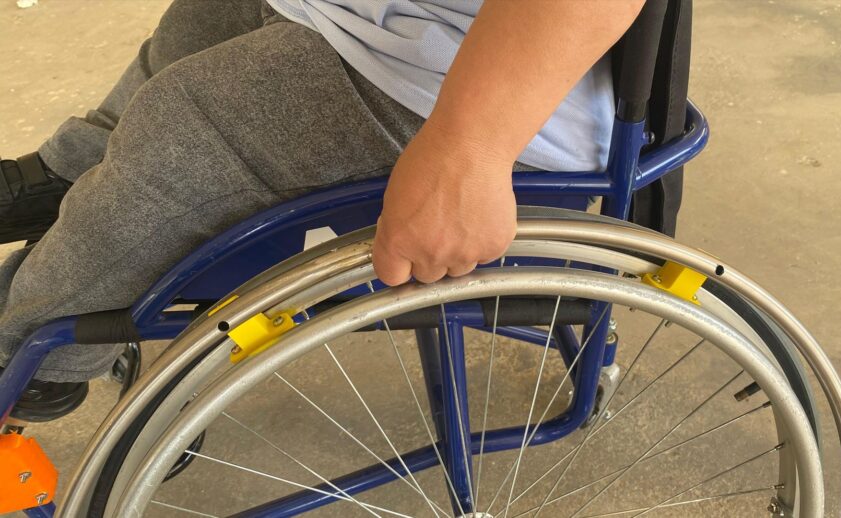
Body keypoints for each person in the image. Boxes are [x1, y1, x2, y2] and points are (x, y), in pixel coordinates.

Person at [0, 0, 645, 420]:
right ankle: (71, 179)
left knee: (187, 129)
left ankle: (27, 351)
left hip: (470, 80)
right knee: (204, 16)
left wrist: (468, 149)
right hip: (389, 17)